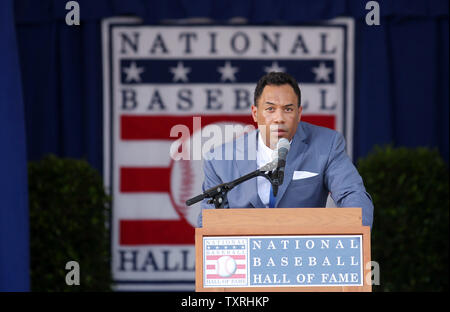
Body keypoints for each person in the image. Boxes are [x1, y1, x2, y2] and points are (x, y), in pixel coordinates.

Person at [198, 72, 373, 228]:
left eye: (288, 109)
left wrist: (354, 241)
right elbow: (209, 222)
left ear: (299, 113)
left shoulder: (326, 145)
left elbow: (352, 194)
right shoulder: (220, 159)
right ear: (254, 113)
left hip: (303, 254)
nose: (279, 118)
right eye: (270, 109)